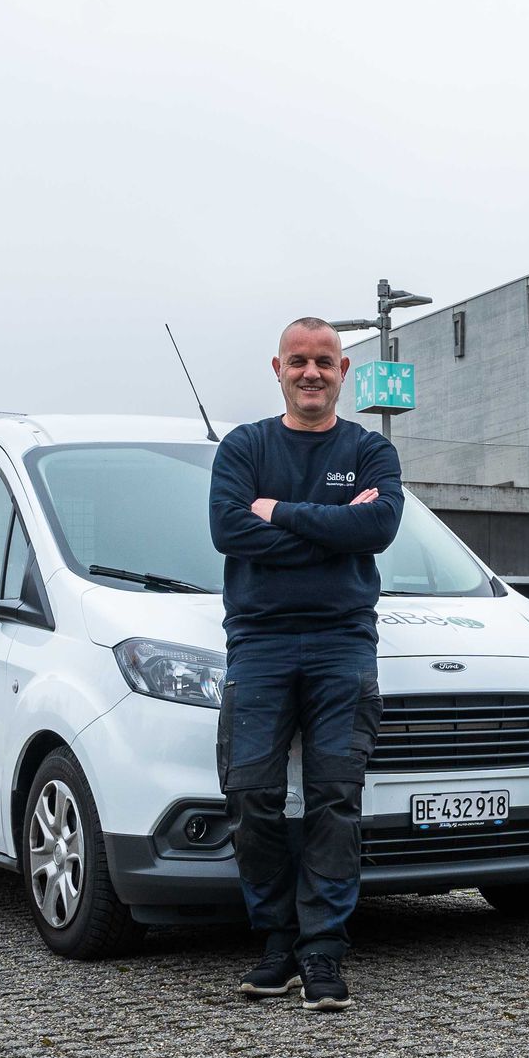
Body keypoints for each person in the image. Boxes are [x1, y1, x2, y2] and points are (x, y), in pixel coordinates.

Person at [209, 316, 403, 1012]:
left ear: (343, 370)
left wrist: (277, 513)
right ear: (278, 368)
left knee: (334, 800)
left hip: (342, 644)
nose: (312, 372)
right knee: (250, 793)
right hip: (258, 643)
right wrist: (331, 526)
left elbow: (377, 526)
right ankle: (276, 942)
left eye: (325, 361)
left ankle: (323, 951)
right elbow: (228, 529)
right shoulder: (245, 446)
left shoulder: (371, 449)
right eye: (299, 361)